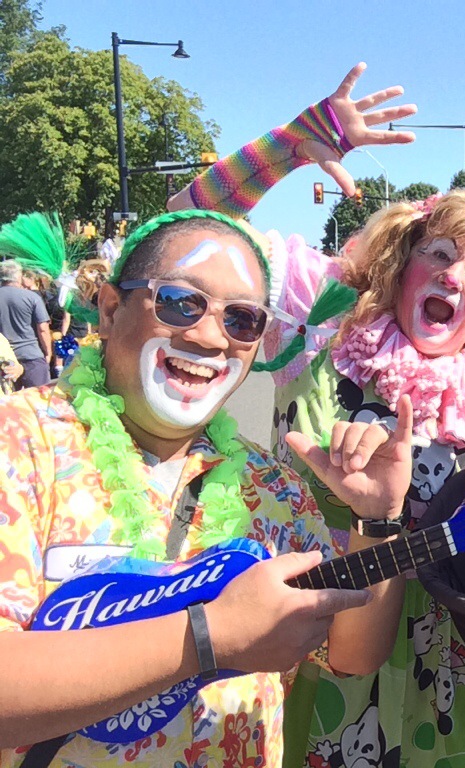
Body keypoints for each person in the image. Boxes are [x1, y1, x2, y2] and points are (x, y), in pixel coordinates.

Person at [170, 65, 465, 768]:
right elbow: (187, 231)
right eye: (439, 255)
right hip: (301, 631)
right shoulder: (323, 328)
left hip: (445, 664)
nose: (453, 275)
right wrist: (288, 146)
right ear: (404, 265)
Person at [0, 209, 417, 767]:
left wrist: (378, 519)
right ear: (110, 309)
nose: (209, 335)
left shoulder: (271, 484)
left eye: (242, 319)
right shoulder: (20, 441)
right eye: (179, 302)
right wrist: (209, 637)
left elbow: (350, 651)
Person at [0, 260, 50, 389]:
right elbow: (43, 329)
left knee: (7, 401)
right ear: (19, 276)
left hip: (4, 359)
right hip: (31, 355)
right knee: (39, 398)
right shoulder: (32, 297)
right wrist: (48, 352)